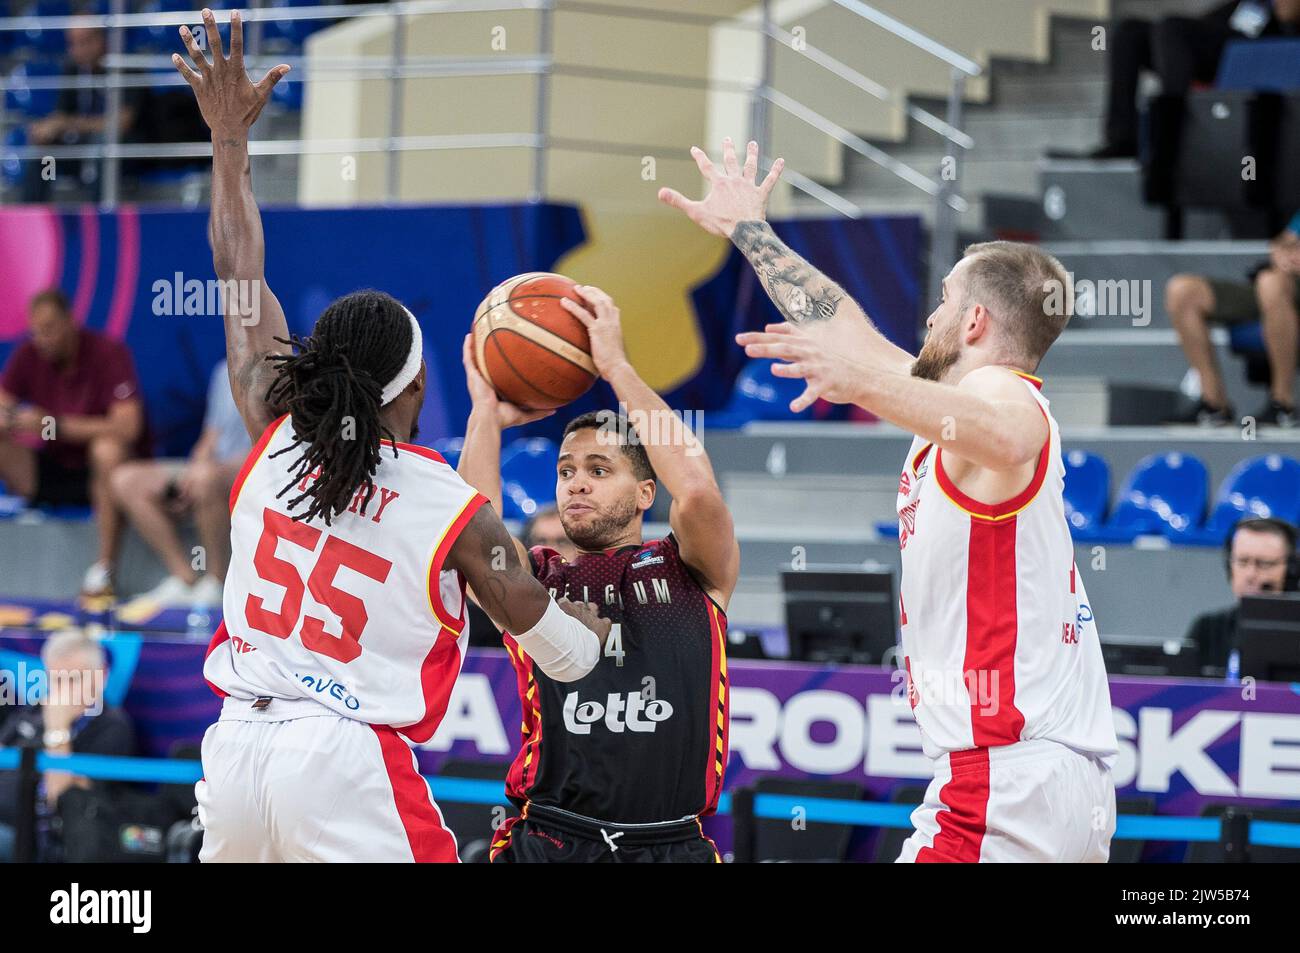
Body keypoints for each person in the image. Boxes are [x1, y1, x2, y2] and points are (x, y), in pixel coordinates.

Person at [173, 8, 608, 863]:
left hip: (230, 753)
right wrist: (586, 626)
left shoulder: (269, 420)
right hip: (344, 764)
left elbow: (237, 265)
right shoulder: (453, 505)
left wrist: (227, 142)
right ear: (414, 386)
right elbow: (556, 651)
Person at [662, 138, 1118, 862]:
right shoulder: (944, 405)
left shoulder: (999, 398)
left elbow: (1011, 432)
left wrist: (860, 385)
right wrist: (751, 231)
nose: (930, 318)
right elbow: (841, 325)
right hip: (1040, 779)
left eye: (943, 301)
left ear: (974, 323)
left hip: (1008, 780)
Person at [457, 285, 739, 864]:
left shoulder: (691, 570)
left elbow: (698, 489)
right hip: (551, 837)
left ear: (644, 493)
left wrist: (616, 368)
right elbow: (470, 531)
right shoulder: (536, 579)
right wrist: (485, 414)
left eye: (598, 468)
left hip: (670, 842)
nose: (575, 482)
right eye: (566, 470)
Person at [0, 288, 148, 599]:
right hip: (53, 471)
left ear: (71, 321)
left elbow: (128, 427)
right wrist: (9, 418)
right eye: (36, 332)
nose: (43, 339)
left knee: (106, 448)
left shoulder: (108, 353)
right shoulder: (29, 354)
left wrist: (53, 424)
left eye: (50, 329)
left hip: (104, 476)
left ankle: (103, 570)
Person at [1052, 0, 1300, 160]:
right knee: (1130, 32)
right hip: (1219, 48)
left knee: (1171, 28)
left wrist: (1287, 16)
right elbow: (1206, 26)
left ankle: (1174, 133)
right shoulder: (1254, 5)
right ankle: (1123, 137)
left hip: (1252, 57)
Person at [110, 360, 250, 608]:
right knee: (126, 480)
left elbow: (273, 439)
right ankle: (184, 578)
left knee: (206, 479)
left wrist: (207, 472)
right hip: (213, 468)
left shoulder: (285, 366)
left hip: (255, 466)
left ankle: (216, 582)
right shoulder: (223, 369)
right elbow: (211, 434)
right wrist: (196, 467)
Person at [0, 630, 136, 862]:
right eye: (56, 679)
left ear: (101, 676)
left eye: (73, 679)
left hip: (39, 838)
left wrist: (58, 729)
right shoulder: (33, 712)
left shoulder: (111, 726)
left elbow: (63, 801)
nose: (63, 690)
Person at [1165, 210, 1300, 428]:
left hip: (1278, 288)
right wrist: (1282, 253)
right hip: (1279, 287)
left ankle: (1282, 405)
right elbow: (1285, 241)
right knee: (1182, 290)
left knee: (1270, 283)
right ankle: (1214, 405)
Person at [22, 26, 142, 201]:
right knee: (46, 153)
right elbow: (61, 116)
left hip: (126, 156)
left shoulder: (126, 67)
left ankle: (100, 216)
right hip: (80, 150)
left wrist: (68, 124)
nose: (75, 50)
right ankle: (35, 214)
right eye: (72, 44)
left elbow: (122, 123)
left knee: (104, 146)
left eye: (82, 42)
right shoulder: (73, 69)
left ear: (100, 41)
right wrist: (46, 128)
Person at [1185, 517, 1298, 675]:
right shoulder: (1208, 628)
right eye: (1243, 562)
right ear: (1229, 566)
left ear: (1291, 571)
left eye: (1264, 564)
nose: (1251, 574)